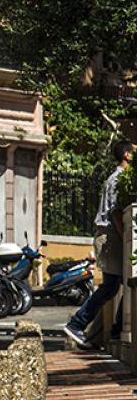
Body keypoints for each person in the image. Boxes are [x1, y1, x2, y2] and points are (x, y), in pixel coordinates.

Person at [64, 140, 132, 349]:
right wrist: (125, 240)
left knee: (125, 283)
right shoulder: (118, 179)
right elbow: (116, 212)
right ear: (127, 155)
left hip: (112, 236)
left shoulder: (119, 178)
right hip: (110, 236)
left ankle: (116, 330)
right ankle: (77, 324)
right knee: (112, 285)